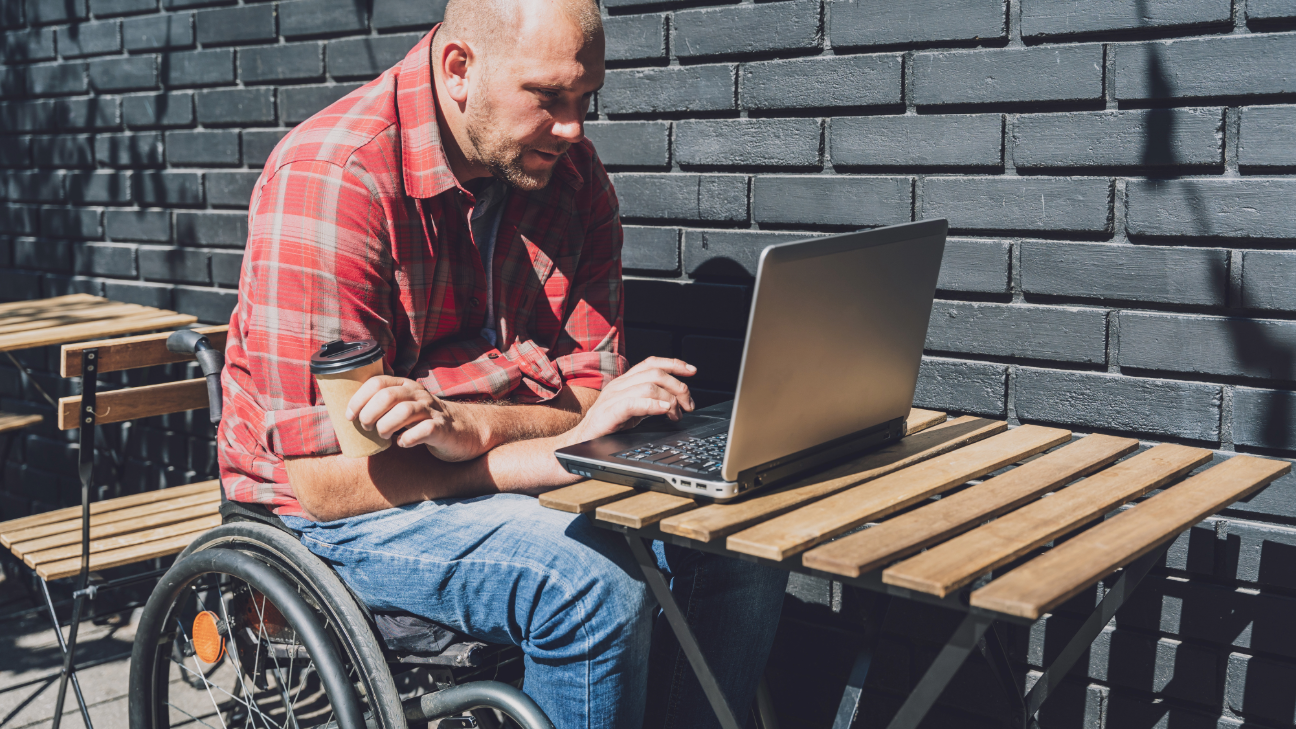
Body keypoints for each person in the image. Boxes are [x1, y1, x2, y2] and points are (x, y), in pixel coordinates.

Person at [218, 0, 788, 726]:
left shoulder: (570, 176)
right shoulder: (333, 179)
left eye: (585, 99)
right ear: (460, 68)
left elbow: (592, 394)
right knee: (587, 587)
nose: (574, 129)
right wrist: (542, 446)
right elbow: (333, 481)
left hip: (473, 473)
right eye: (548, 97)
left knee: (735, 546)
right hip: (323, 515)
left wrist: (468, 426)